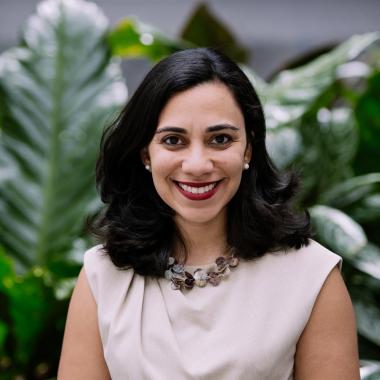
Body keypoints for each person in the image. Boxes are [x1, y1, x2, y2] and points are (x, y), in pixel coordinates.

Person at [58, 48, 360, 379]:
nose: (198, 165)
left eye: (220, 139)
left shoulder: (312, 277)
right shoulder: (103, 277)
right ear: (146, 153)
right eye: (173, 140)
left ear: (248, 148)